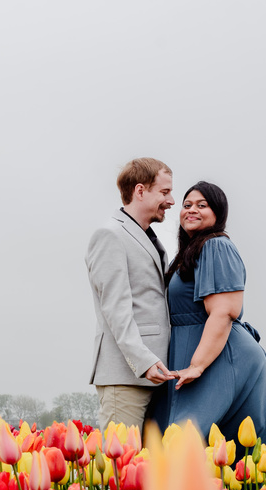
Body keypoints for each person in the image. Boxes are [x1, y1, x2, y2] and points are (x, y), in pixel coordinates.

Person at [163, 181, 266, 451]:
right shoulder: (189, 253)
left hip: (217, 357)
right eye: (187, 205)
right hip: (197, 351)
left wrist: (197, 365)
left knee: (186, 443)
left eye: (202, 205)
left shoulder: (216, 247)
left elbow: (224, 311)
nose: (192, 210)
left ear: (218, 212)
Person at [85, 158, 175, 431]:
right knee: (121, 467)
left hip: (153, 374)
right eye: (164, 192)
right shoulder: (110, 235)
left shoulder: (149, 237)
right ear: (139, 191)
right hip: (126, 376)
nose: (171, 200)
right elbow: (116, 309)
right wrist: (144, 361)